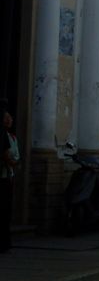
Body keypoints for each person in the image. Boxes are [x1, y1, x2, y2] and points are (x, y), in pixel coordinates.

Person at [1, 107, 19, 254]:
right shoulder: (3, 136)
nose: (9, 120)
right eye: (6, 117)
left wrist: (12, 164)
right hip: (4, 176)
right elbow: (7, 156)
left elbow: (15, 157)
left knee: (6, 211)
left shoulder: (12, 138)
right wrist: (10, 162)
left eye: (10, 117)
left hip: (8, 176)